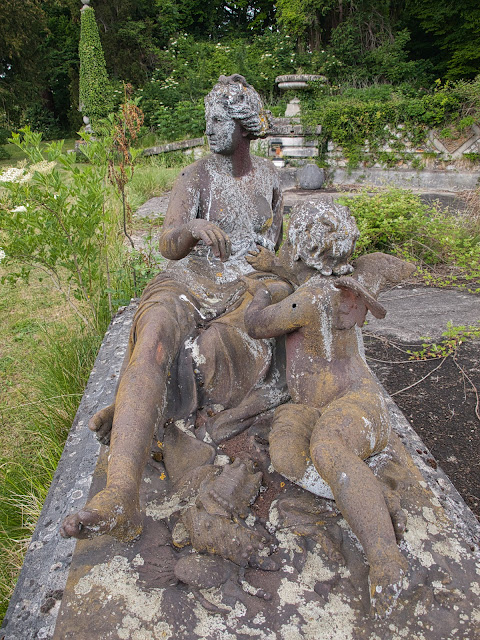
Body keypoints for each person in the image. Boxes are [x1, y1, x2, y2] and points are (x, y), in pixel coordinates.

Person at [60, 74, 284, 542]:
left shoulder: (270, 178)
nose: (211, 129)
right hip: (189, 277)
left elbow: (278, 249)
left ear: (244, 126)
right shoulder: (197, 176)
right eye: (208, 120)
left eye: (220, 120)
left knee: (217, 346)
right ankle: (120, 493)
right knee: (156, 331)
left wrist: (273, 271)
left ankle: (133, 406)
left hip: (246, 286)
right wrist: (194, 228)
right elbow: (167, 243)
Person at [243, 198, 415, 618]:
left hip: (357, 403)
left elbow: (256, 324)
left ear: (300, 248)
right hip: (308, 405)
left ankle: (385, 559)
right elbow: (399, 266)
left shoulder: (308, 301)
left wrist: (261, 290)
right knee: (285, 454)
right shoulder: (346, 281)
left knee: (328, 445)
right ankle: (360, 493)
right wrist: (364, 275)